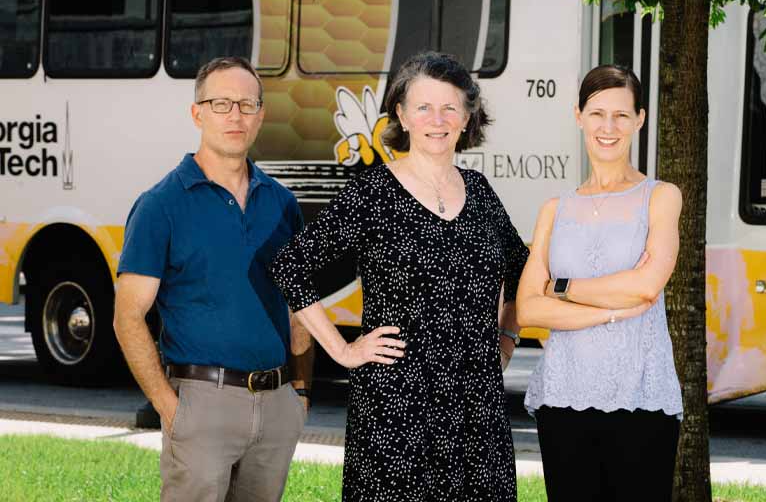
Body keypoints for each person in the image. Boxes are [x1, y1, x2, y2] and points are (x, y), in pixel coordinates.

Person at [271, 51, 528, 501]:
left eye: (451, 107)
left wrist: (506, 339)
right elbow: (291, 265)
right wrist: (342, 349)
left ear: (468, 117)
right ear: (403, 117)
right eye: (424, 107)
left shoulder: (482, 195)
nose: (438, 119)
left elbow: (522, 269)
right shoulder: (373, 193)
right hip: (397, 405)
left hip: (476, 407)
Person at [113, 56, 313, 502]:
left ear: (261, 115)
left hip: (278, 401)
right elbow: (128, 317)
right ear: (197, 113)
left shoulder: (282, 204)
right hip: (202, 402)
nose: (236, 116)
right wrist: (170, 407)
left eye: (247, 104)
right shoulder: (161, 206)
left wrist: (299, 392)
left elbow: (301, 308)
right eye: (221, 104)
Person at [516, 65, 684, 501]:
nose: (608, 127)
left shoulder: (661, 197)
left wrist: (561, 286)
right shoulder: (555, 209)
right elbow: (529, 310)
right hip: (564, 395)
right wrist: (612, 308)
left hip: (641, 397)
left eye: (622, 116)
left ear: (640, 120)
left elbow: (646, 287)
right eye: (597, 114)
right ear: (578, 116)